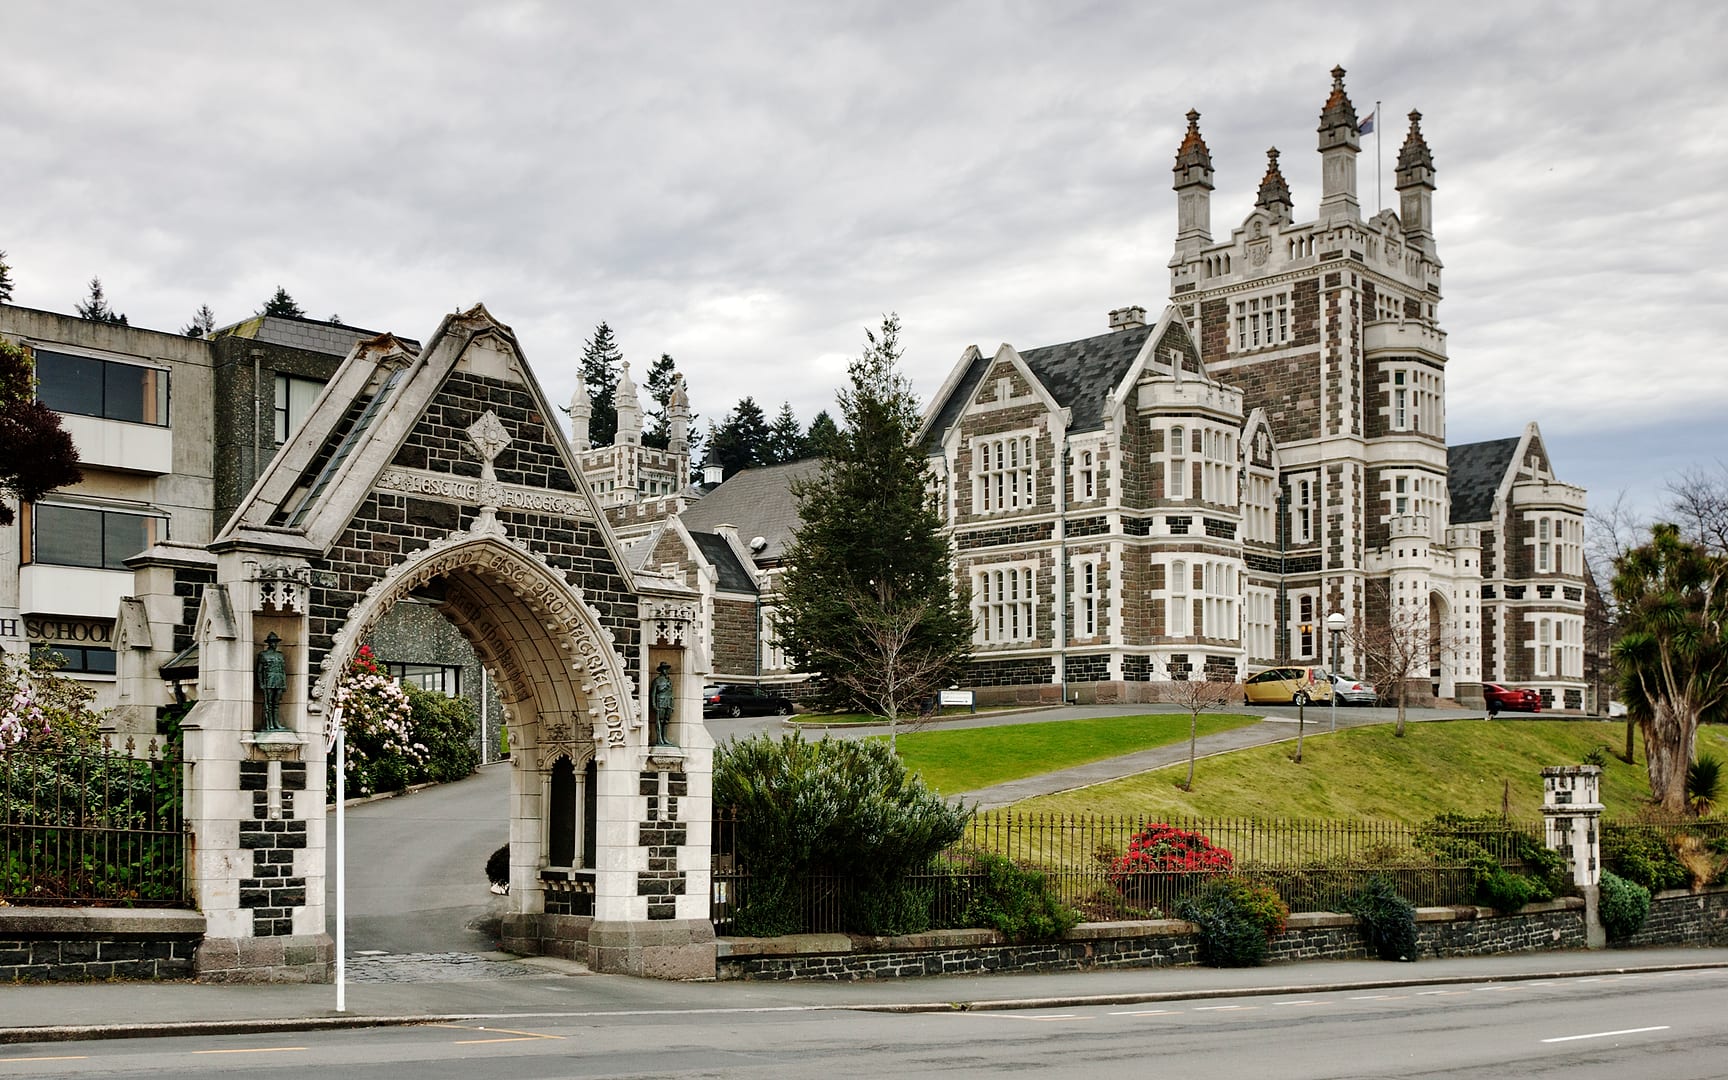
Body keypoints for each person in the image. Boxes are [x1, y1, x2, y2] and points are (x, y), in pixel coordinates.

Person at [255, 632, 288, 731]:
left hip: (279, 680)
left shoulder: (280, 655)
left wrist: (284, 683)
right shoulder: (263, 655)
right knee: (268, 703)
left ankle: (276, 722)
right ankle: (268, 724)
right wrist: (261, 683)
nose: (274, 644)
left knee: (276, 703)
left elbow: (283, 670)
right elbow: (259, 671)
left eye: (275, 642)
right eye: (272, 642)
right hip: (269, 680)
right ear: (269, 643)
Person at [650, 661, 675, 746]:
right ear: (661, 670)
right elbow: (653, 693)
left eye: (667, 669)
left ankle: (664, 738)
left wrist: (672, 704)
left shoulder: (669, 681)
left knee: (666, 721)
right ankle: (659, 738)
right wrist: (653, 704)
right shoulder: (657, 681)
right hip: (660, 702)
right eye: (664, 669)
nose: (666, 671)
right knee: (659, 721)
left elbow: (671, 693)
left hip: (668, 702)